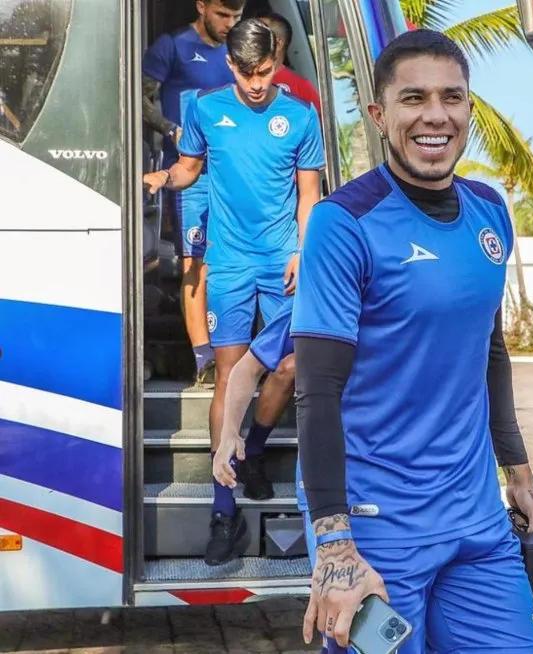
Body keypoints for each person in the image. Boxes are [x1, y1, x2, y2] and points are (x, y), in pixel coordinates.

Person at [292, 28, 533, 654]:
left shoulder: (490, 211)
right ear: (380, 116)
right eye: (413, 99)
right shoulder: (343, 222)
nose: (434, 115)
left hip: (477, 524)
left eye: (451, 97)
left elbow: (489, 352)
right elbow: (316, 391)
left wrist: (517, 474)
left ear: (468, 110)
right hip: (376, 533)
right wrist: (334, 547)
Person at [144, 17, 325, 566]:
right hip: (228, 263)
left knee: (290, 365)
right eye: (245, 72)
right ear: (230, 65)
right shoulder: (204, 109)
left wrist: (302, 250)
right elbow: (188, 168)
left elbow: (310, 195)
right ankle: (223, 511)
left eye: (265, 71)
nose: (254, 82)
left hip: (282, 261)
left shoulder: (300, 115)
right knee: (229, 373)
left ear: (277, 62)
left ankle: (256, 451)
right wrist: (156, 179)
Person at [141, 0, 246, 385]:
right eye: (223, 15)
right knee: (195, 263)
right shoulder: (172, 46)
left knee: (233, 261)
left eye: (236, 17)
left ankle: (235, 352)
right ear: (202, 6)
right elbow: (137, 97)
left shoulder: (239, 52)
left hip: (233, 172)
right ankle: (204, 359)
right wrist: (171, 130)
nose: (230, 24)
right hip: (189, 173)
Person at [257, 11, 322, 118]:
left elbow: (319, 127)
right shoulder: (236, 74)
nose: (250, 37)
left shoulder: (302, 86)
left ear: (278, 44)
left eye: (258, 34)